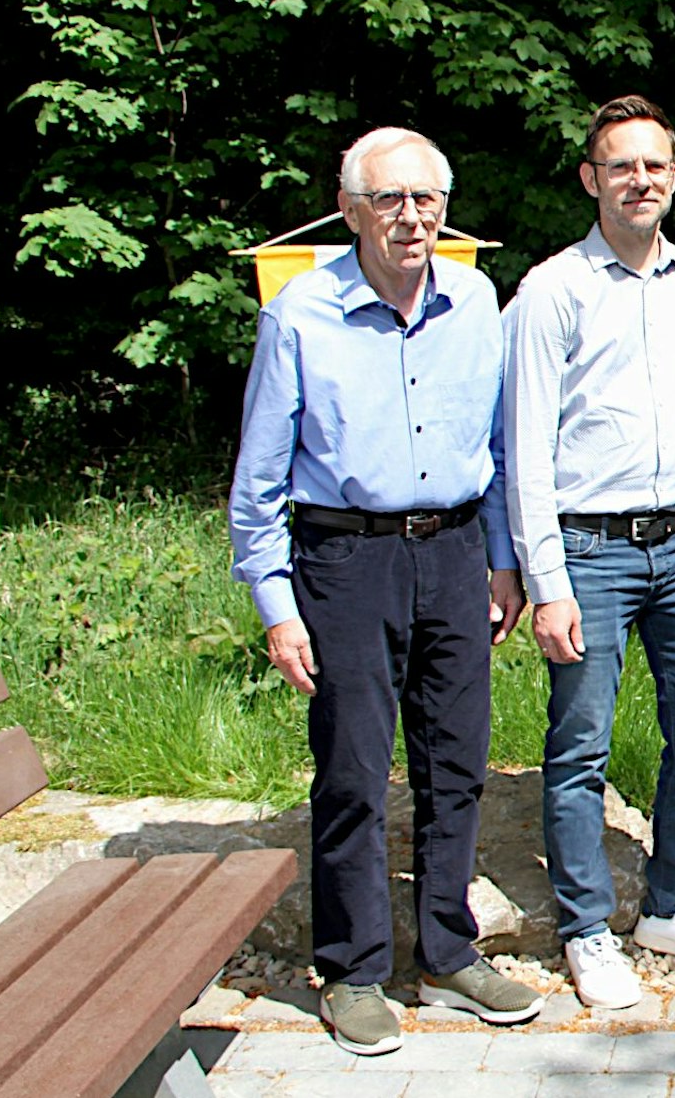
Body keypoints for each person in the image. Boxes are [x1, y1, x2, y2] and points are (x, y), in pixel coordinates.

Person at [229, 127, 542, 1055]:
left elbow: (494, 449)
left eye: (425, 200)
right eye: (387, 200)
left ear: (444, 209)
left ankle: (448, 954)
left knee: (457, 762)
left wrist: (501, 562)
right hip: (345, 561)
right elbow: (258, 480)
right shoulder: (300, 314)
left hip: (451, 554)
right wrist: (278, 607)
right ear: (351, 211)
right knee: (356, 771)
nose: (410, 218)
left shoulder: (478, 299)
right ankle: (353, 969)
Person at [503, 95, 675, 1010]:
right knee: (580, 748)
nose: (638, 181)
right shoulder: (550, 293)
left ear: (674, 177)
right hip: (590, 553)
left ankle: (672, 907)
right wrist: (547, 581)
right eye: (620, 166)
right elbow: (524, 448)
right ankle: (585, 930)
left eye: (654, 166)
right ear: (591, 179)